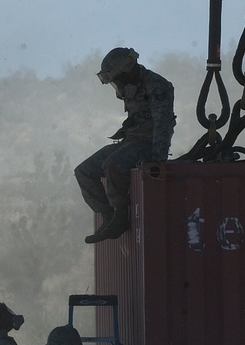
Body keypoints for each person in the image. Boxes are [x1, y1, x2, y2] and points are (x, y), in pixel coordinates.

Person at [74, 47, 176, 243]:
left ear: (127, 71)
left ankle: (121, 216)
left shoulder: (157, 86)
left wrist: (157, 161)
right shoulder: (132, 86)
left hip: (147, 144)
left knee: (113, 164)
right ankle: (108, 216)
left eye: (117, 79)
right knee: (84, 171)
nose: (116, 85)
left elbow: (162, 126)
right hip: (131, 140)